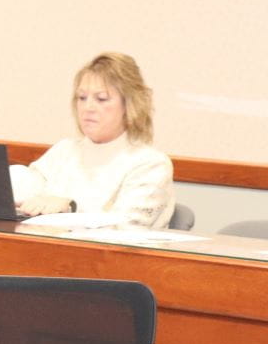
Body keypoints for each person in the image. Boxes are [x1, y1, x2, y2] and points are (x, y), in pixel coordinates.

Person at [12, 52, 175, 228]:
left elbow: (125, 229)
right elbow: (27, 191)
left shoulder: (151, 164)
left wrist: (71, 208)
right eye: (82, 98)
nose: (88, 107)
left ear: (130, 105)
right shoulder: (64, 151)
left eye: (101, 99)